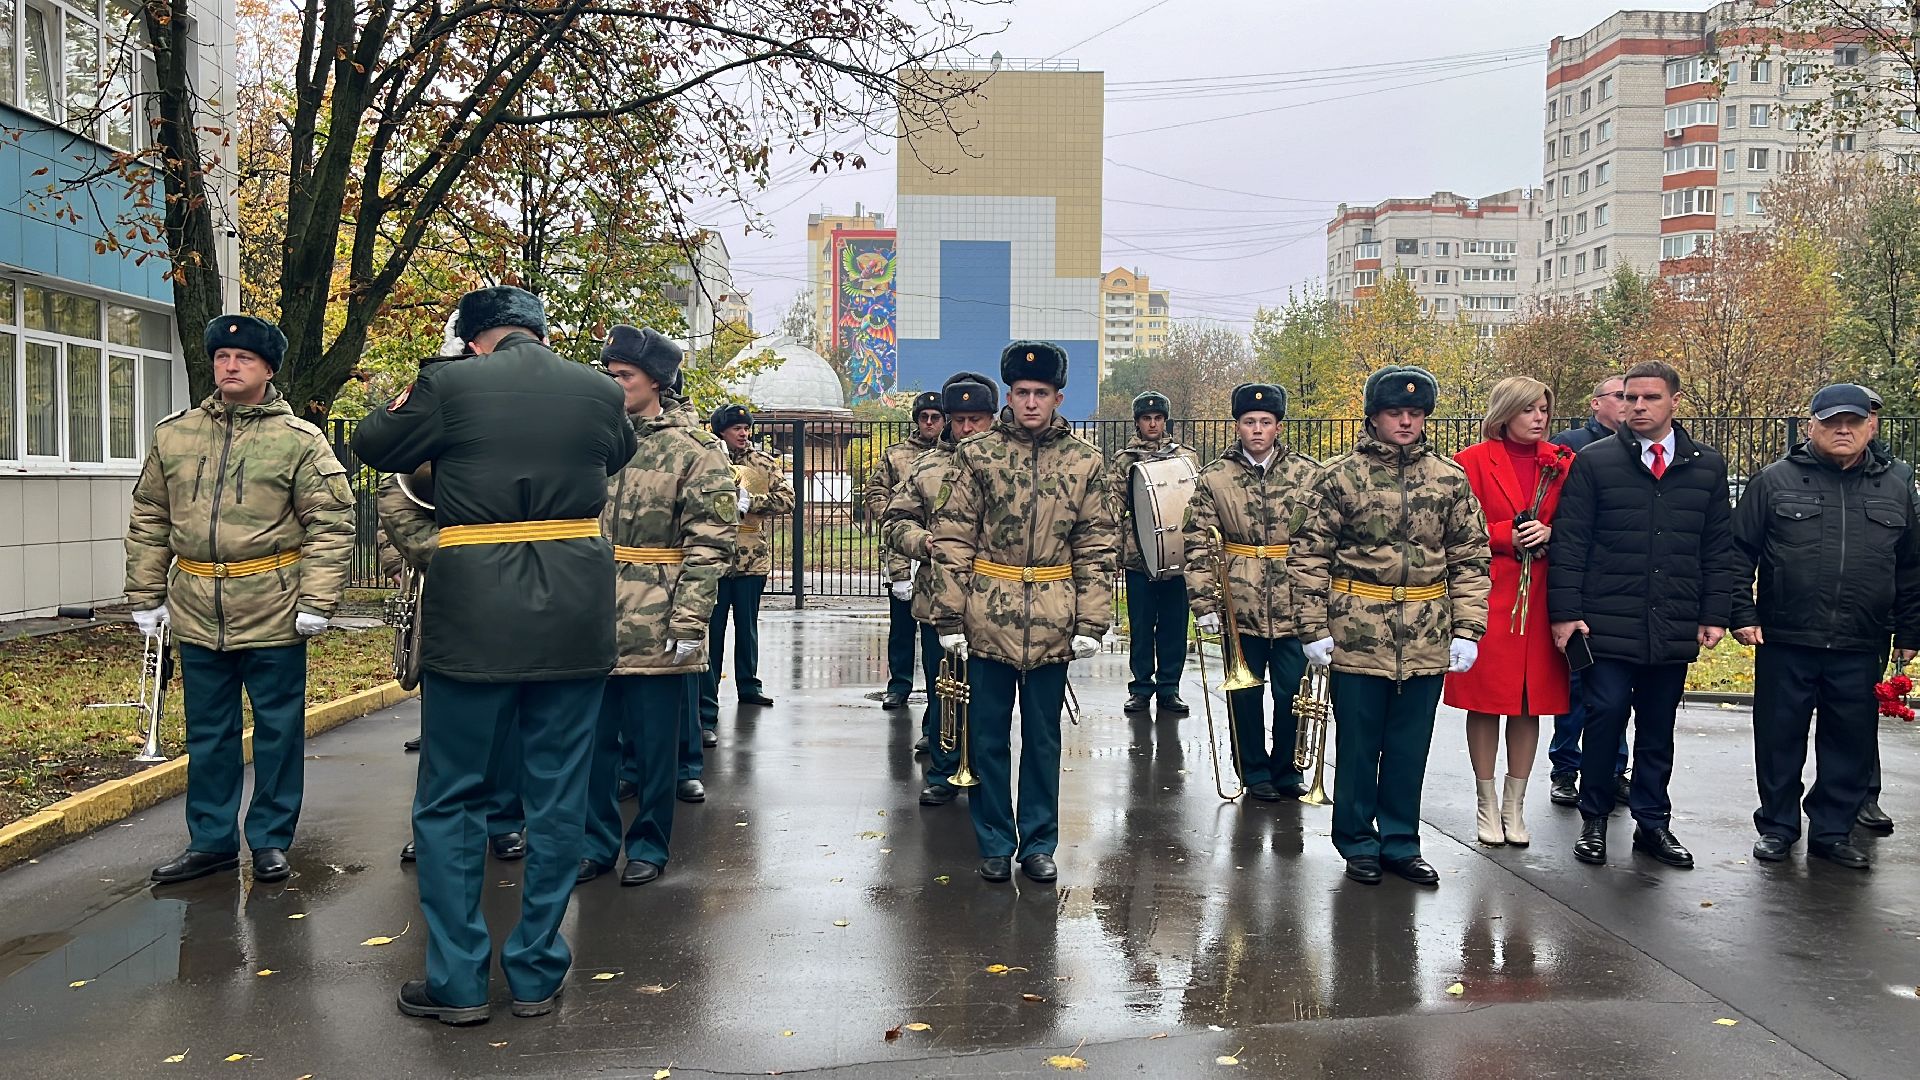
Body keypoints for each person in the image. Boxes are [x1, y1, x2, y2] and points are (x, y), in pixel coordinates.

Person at [352, 285, 635, 1025]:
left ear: (473, 338)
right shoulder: (598, 388)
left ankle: (458, 981)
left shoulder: (450, 382)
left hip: (475, 612)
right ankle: (538, 970)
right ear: (539, 333)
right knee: (558, 792)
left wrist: (434, 384)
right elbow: (616, 457)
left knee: (450, 798)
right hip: (575, 612)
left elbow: (372, 443)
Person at [127, 315, 356, 886]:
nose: (230, 366)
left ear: (268, 370)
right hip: (196, 605)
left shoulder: (298, 440)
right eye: (223, 356)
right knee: (208, 733)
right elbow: (150, 517)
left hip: (273, 607)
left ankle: (271, 839)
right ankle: (210, 840)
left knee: (277, 732)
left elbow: (331, 520)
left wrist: (318, 599)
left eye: (244, 359)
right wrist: (145, 594)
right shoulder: (174, 435)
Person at [1290, 365, 1491, 887]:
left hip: (1426, 631)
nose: (1406, 422)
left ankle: (1401, 841)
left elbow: (1470, 558)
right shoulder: (1339, 477)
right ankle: (1358, 841)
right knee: (1358, 744)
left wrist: (1468, 629)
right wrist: (1313, 628)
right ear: (1373, 417)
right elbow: (1309, 555)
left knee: (1408, 746)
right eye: (1394, 413)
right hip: (1358, 629)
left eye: (1415, 414)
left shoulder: (1448, 479)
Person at [928, 341, 1118, 884]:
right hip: (989, 614)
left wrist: (1092, 621)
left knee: (1042, 740)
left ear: (1060, 396)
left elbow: (1098, 545)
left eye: (1041, 393)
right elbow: (954, 537)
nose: (1031, 402)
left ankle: (1038, 842)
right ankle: (994, 838)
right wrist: (948, 617)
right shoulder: (977, 455)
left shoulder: (1086, 462)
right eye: (1021, 393)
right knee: (986, 737)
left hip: (1055, 619)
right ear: (1008, 395)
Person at [1549, 360, 1736, 871]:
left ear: (1675, 401)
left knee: (1659, 726)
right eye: (1630, 398)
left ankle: (1653, 824)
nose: (1637, 406)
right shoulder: (1595, 461)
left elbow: (1719, 547)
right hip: (1605, 621)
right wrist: (1565, 614)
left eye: (1649, 398)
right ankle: (1593, 820)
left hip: (1673, 621)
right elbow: (1571, 543)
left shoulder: (1706, 466)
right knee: (1604, 715)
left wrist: (1714, 612)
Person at [1731, 383, 1920, 869]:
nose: (1843, 429)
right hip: (1786, 635)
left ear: (1870, 426)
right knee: (1778, 737)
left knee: (1850, 740)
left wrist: (1911, 632)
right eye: (1831, 421)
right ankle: (1777, 826)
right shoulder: (1774, 481)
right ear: (1811, 424)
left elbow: (1911, 567)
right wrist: (1742, 612)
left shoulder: (1896, 487)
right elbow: (1736, 554)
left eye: (1853, 422)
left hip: (1862, 638)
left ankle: (1832, 832)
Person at [580, 326, 736, 887]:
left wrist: (691, 618)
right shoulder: (590, 440)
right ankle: (595, 844)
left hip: (658, 614)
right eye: (610, 374)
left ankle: (649, 842)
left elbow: (712, 541)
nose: (614, 384)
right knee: (592, 745)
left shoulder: (693, 452)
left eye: (624, 376)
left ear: (657, 382)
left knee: (653, 747)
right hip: (590, 610)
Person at [1444, 376, 1574, 847]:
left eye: (1543, 409)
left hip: (1541, 595)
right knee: (1485, 699)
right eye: (1528, 410)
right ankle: (1487, 803)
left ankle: (1516, 806)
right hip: (1489, 593)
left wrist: (1551, 534)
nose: (1539, 418)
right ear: (1504, 414)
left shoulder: (1561, 464)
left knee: (1528, 700)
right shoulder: (1469, 462)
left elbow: (1577, 524)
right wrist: (1506, 535)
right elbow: (1455, 530)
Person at [377, 463, 526, 866]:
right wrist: (399, 562)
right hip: (438, 582)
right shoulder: (426, 413)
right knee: (441, 721)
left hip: (504, 578)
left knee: (506, 713)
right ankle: (441, 826)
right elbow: (393, 498)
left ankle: (503, 819)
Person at [1183, 382, 1322, 800]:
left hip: (1293, 598)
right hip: (1237, 600)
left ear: (1278, 426)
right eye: (1249, 422)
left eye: (1265, 422)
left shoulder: (1308, 473)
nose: (1257, 430)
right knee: (1244, 691)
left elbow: (1320, 539)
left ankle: (1287, 768)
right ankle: (1252, 770)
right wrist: (1204, 600)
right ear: (1237, 425)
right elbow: (1198, 541)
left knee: (1291, 691)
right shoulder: (1214, 477)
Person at [883, 371, 998, 805]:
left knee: (987, 692)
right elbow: (895, 520)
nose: (967, 429)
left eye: (977, 419)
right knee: (942, 685)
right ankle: (945, 769)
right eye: (959, 420)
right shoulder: (927, 466)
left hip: (994, 600)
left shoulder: (1008, 463)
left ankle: (985, 766)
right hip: (937, 597)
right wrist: (920, 542)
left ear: (992, 417)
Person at [1546, 374, 1631, 808]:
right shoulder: (1572, 445)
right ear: (1596, 404)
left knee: (1618, 697)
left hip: (1623, 586)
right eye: (1619, 396)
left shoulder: (1639, 449)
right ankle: (1565, 767)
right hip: (1583, 584)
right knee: (1578, 684)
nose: (1627, 403)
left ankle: (1615, 770)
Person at [698, 405, 797, 756]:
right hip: (714, 556)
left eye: (745, 427)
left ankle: (748, 685)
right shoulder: (706, 456)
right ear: (720, 430)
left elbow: (788, 499)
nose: (742, 433)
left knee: (747, 626)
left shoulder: (764, 463)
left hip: (751, 556)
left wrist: (752, 501)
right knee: (712, 631)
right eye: (736, 428)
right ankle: (705, 706)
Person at [1110, 390, 1200, 717]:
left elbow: (1195, 502)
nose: (1152, 423)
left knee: (1175, 625)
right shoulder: (1124, 459)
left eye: (1158, 418)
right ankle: (1141, 687)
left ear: (1165, 421)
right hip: (1139, 558)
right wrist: (1120, 552)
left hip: (1177, 555)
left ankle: (1169, 688)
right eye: (1147, 419)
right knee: (1142, 625)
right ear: (1137, 422)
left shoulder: (1185, 457)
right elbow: (1112, 508)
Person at [868, 391, 945, 713]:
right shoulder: (897, 455)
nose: (929, 423)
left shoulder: (958, 454)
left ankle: (937, 692)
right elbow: (874, 490)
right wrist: (892, 516)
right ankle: (898, 684)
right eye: (923, 417)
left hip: (939, 551)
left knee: (937, 632)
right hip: (903, 552)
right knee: (901, 626)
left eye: (935, 417)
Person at [1853, 383, 1899, 837]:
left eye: (1869, 416)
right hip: (1802, 622)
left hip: (1871, 621)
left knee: (1859, 713)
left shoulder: (1896, 476)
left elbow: (1909, 556)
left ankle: (1866, 795)